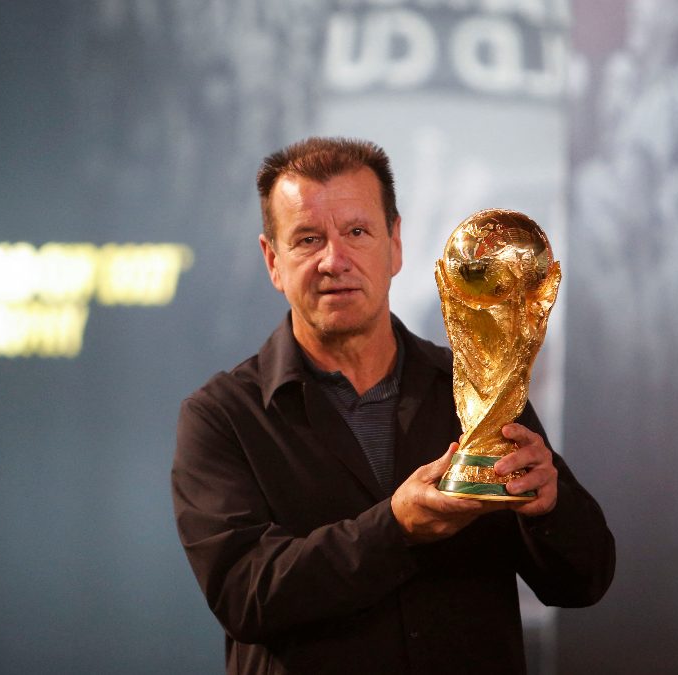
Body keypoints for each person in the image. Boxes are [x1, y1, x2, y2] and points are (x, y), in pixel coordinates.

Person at [172, 137, 615, 674]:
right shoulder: (222, 417)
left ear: (395, 244)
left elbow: (585, 580)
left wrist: (549, 507)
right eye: (308, 239)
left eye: (357, 232)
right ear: (273, 260)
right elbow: (246, 593)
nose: (334, 260)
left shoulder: (477, 392)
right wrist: (396, 529)